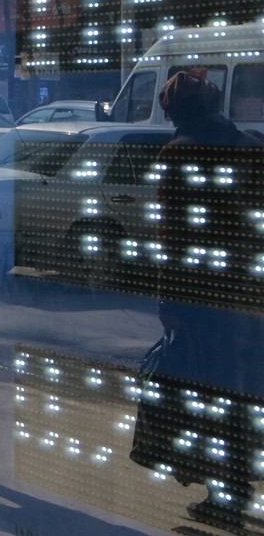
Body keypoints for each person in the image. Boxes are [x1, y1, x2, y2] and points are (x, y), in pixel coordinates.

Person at [130, 72, 264, 533]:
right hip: (248, 294)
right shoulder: (250, 145)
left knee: (208, 396)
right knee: (243, 391)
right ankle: (235, 485)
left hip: (203, 299)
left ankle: (224, 493)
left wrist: (168, 303)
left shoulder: (179, 153)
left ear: (177, 112)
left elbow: (174, 238)